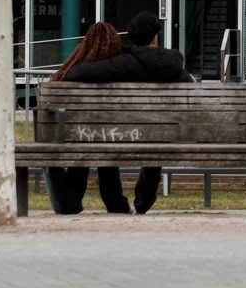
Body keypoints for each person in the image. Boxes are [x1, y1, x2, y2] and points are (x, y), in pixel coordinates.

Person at [62, 11, 196, 214]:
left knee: (106, 138)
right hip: (161, 134)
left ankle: (116, 203)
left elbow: (74, 74)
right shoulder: (174, 64)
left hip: (120, 134)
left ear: (131, 38)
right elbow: (192, 90)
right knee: (156, 142)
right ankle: (143, 202)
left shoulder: (123, 64)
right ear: (155, 38)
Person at [44, 21, 124, 215]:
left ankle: (69, 203)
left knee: (82, 142)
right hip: (115, 136)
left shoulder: (70, 73)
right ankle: (116, 204)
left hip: (77, 136)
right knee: (103, 143)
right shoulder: (122, 72)